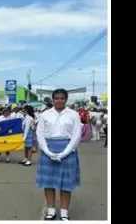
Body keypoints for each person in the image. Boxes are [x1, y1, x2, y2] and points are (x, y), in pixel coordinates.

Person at [36, 89, 82, 220]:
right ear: (52, 99)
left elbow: (76, 135)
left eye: (62, 98)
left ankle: (64, 213)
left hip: (68, 149)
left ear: (66, 99)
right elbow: (40, 134)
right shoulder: (45, 115)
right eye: (56, 98)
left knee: (66, 184)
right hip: (48, 149)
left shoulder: (73, 114)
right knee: (48, 182)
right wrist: (47, 151)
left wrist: (65, 152)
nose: (59, 100)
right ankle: (51, 210)